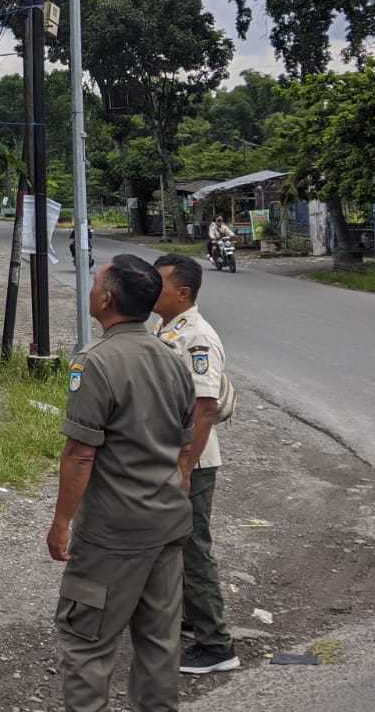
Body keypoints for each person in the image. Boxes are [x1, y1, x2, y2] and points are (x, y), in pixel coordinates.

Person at [48, 254, 197, 712]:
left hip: (114, 532)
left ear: (107, 298)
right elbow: (184, 448)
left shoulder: (94, 363)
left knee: (87, 643)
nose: (91, 289)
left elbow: (80, 454)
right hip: (167, 524)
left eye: (95, 282)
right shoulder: (173, 360)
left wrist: (61, 522)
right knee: (159, 644)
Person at [153, 254, 238, 674]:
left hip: (194, 462)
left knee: (193, 549)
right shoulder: (167, 329)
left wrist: (185, 467)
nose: (152, 290)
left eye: (160, 284)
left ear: (183, 293)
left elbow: (204, 409)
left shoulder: (197, 338)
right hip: (176, 457)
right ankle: (191, 621)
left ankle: (217, 646)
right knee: (177, 546)